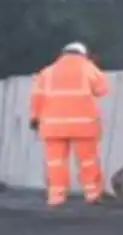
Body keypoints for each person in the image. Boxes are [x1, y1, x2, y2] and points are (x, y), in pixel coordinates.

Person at [30, 42, 110, 206]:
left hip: (53, 126)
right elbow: (102, 89)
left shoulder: (47, 72)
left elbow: (37, 97)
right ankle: (93, 194)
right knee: (88, 161)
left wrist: (34, 118)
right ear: (83, 54)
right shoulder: (88, 68)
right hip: (83, 126)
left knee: (56, 163)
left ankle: (56, 198)